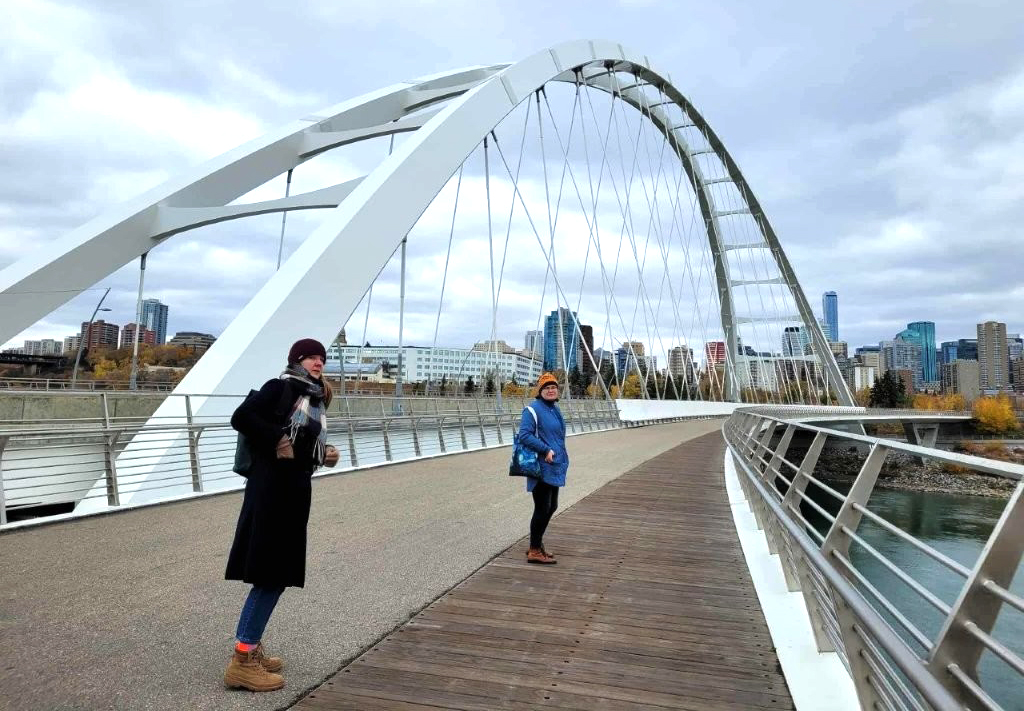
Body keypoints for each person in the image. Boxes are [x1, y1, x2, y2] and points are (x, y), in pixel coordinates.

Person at [223, 338, 340, 692]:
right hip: (272, 490)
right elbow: (241, 417)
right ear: (296, 361)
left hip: (291, 489)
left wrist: (323, 454)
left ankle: (251, 647)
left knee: (277, 571)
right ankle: (243, 660)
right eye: (311, 357)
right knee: (270, 573)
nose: (318, 362)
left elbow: (302, 444)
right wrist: (277, 437)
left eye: (321, 357)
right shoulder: (282, 386)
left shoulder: (314, 398)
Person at [517, 372, 568, 565]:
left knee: (551, 506)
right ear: (540, 391)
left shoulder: (554, 409)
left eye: (553, 387)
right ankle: (535, 550)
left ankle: (536, 544)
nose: (550, 390)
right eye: (546, 388)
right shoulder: (532, 410)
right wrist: (545, 449)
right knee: (542, 506)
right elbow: (524, 435)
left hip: (554, 465)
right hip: (540, 465)